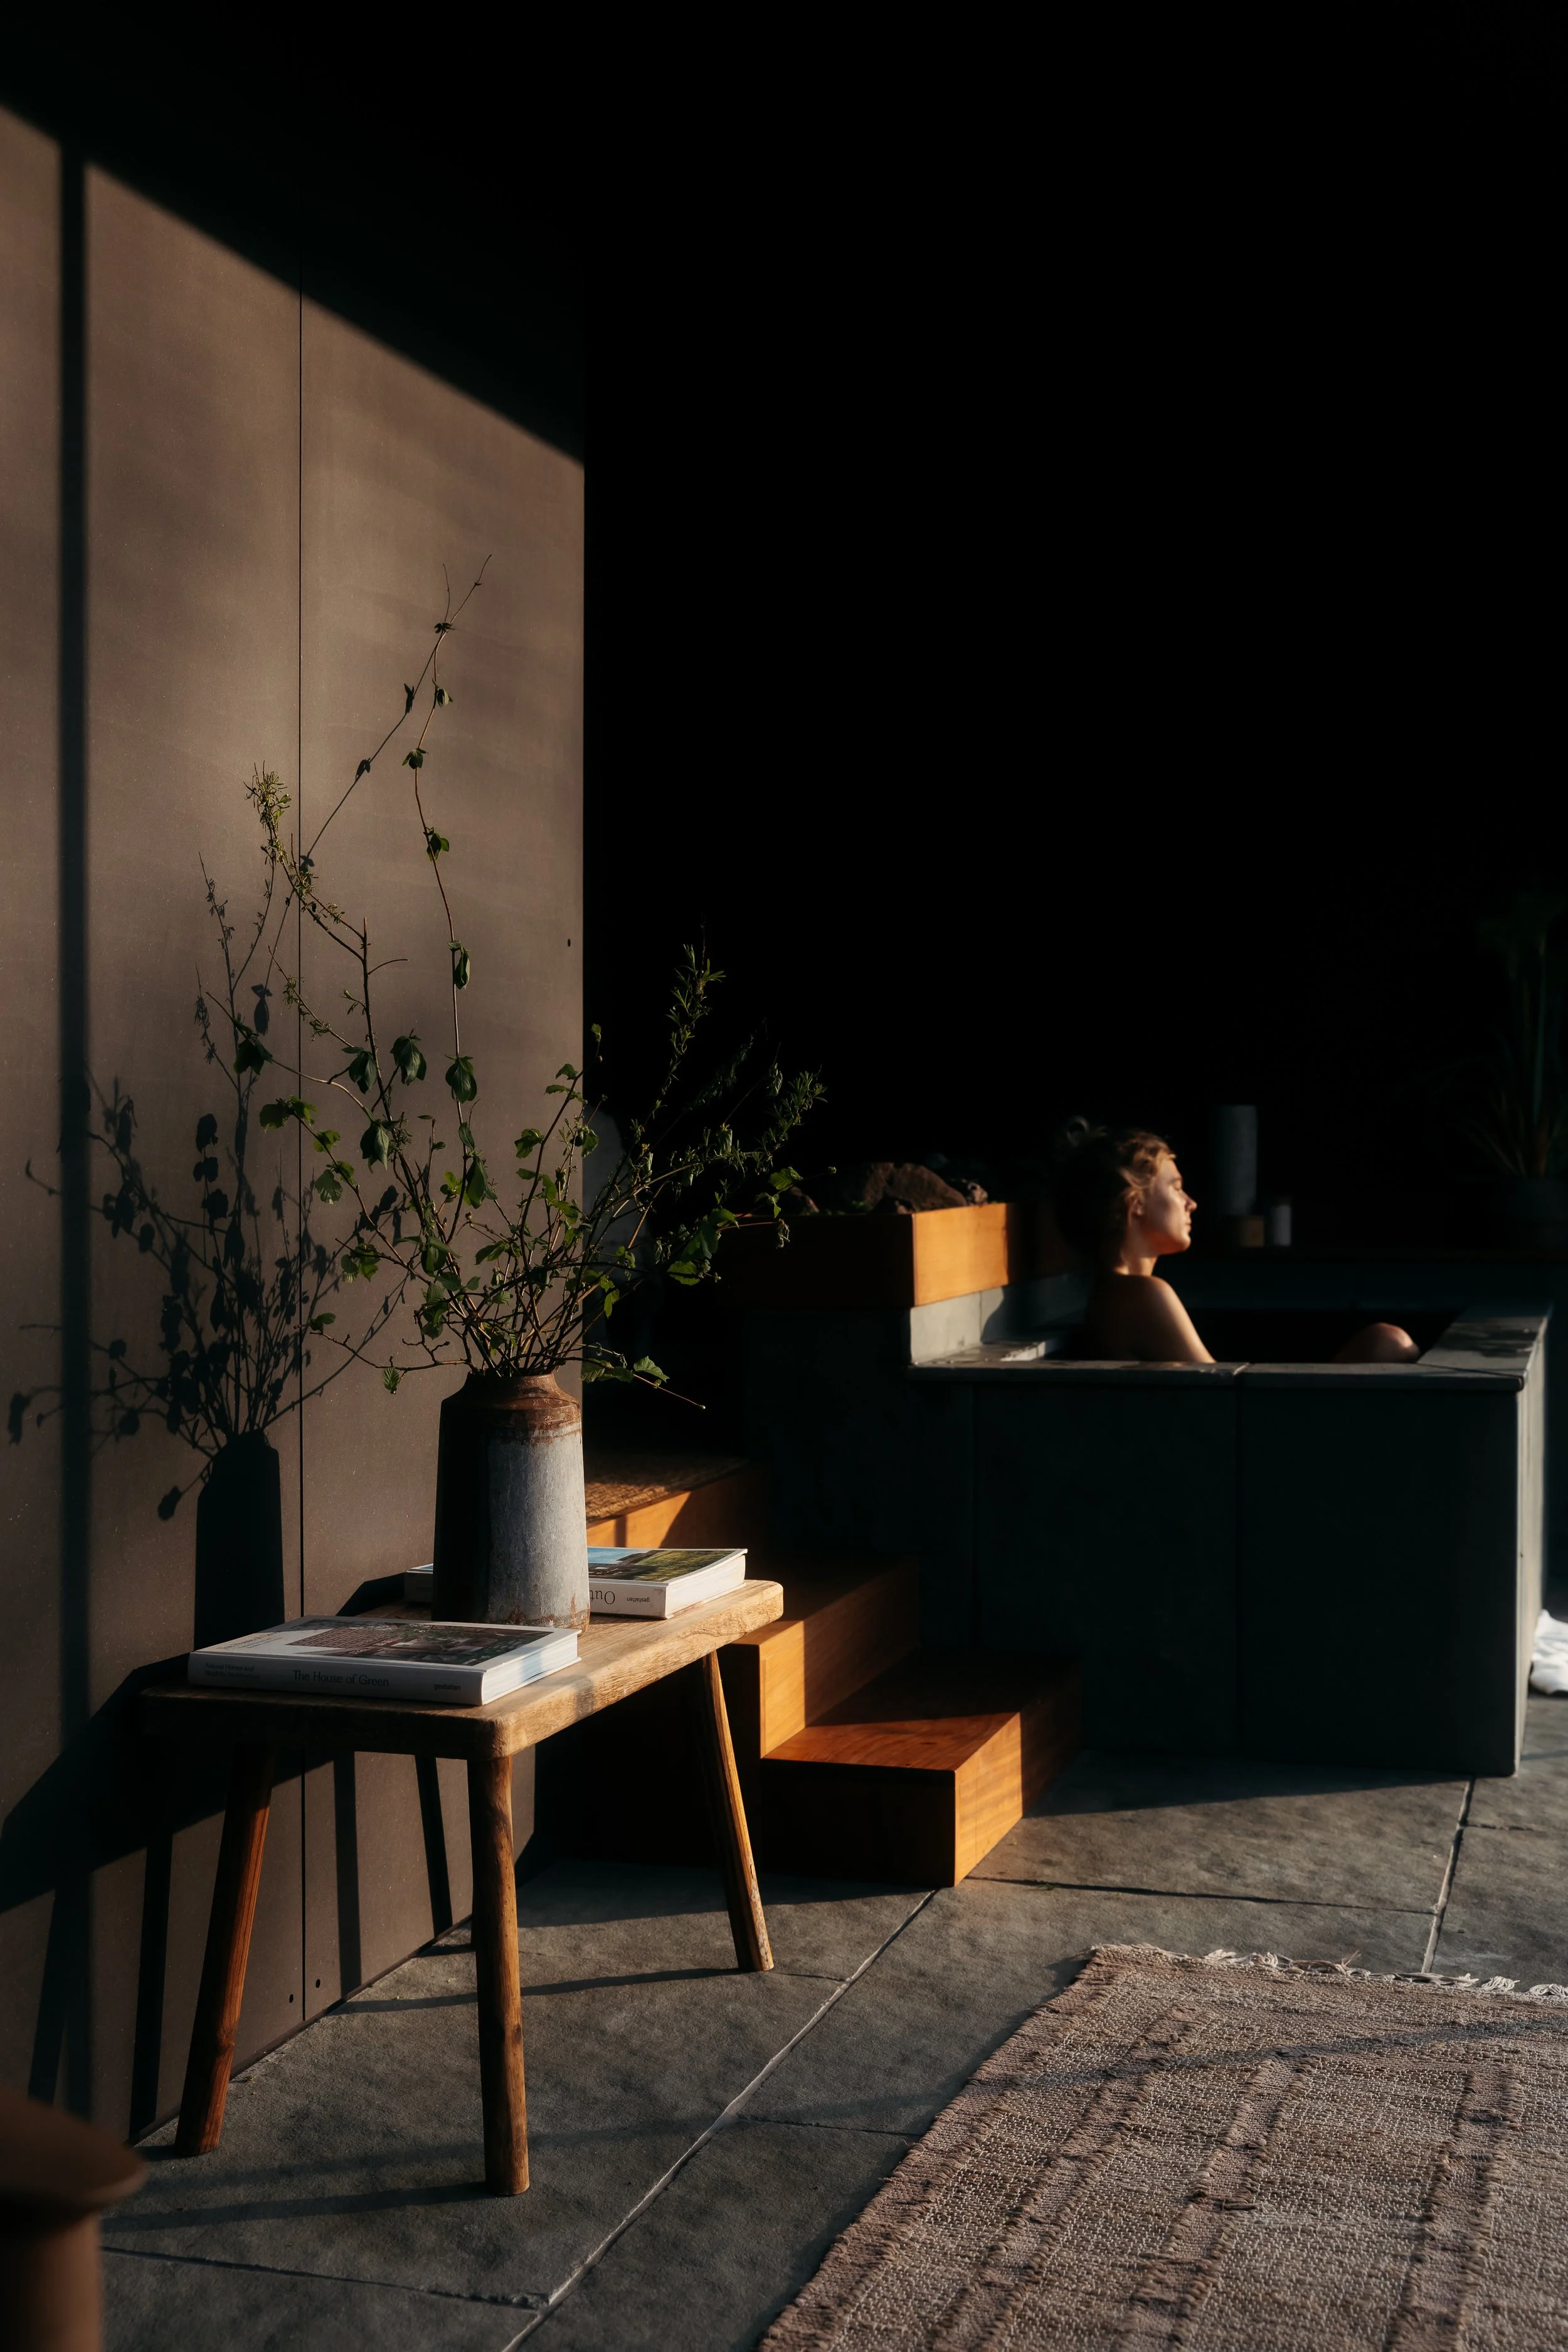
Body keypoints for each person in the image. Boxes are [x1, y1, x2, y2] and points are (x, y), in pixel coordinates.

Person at [1054, 1123, 1419, 1364]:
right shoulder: (1140, 1294)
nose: (1191, 1203)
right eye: (1177, 1188)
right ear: (1135, 1203)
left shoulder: (1116, 1293)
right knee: (1385, 1343)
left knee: (1385, 1342)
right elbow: (1223, 1400)